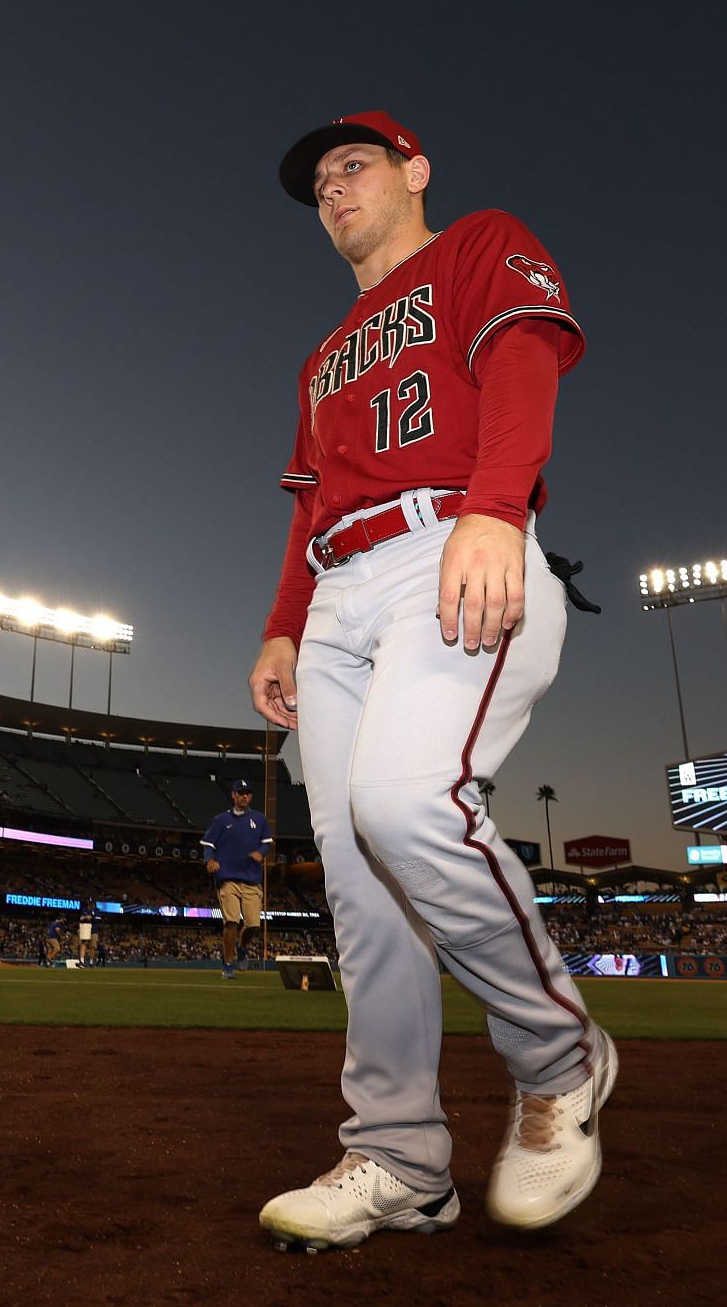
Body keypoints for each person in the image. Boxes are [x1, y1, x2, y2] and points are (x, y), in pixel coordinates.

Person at [247, 112, 615, 1252]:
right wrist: (280, 628)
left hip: (450, 548)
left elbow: (518, 359)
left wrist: (497, 510)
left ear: (414, 170)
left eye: (353, 164)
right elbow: (315, 507)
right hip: (337, 591)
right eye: (318, 181)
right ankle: (403, 1160)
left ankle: (560, 1058)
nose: (333, 188)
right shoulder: (321, 356)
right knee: (362, 892)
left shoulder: (477, 244)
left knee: (407, 803)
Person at [200, 780, 271, 979]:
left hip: (251, 879)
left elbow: (266, 843)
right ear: (233, 795)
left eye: (247, 793)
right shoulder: (221, 820)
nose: (244, 796)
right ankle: (228, 963)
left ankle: (241, 948)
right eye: (240, 793)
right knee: (231, 921)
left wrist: (260, 852)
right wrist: (210, 860)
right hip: (227, 879)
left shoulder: (259, 819)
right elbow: (208, 845)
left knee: (254, 925)